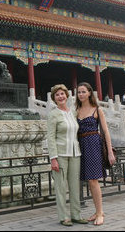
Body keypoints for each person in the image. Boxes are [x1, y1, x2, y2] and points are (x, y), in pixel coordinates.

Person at [47, 84, 88, 226]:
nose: (60, 97)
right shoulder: (53, 114)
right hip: (60, 154)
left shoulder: (73, 113)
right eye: (57, 95)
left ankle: (76, 214)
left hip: (75, 153)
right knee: (60, 187)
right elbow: (50, 137)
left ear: (67, 95)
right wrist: (53, 158)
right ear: (54, 98)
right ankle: (63, 216)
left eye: (62, 94)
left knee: (75, 185)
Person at [75, 82, 116, 226]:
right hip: (81, 146)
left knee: (93, 180)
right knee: (89, 181)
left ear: (89, 93)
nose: (81, 94)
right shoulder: (76, 110)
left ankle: (100, 212)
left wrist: (110, 152)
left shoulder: (97, 109)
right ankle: (97, 211)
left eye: (83, 92)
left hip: (93, 145)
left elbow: (105, 131)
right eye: (79, 92)